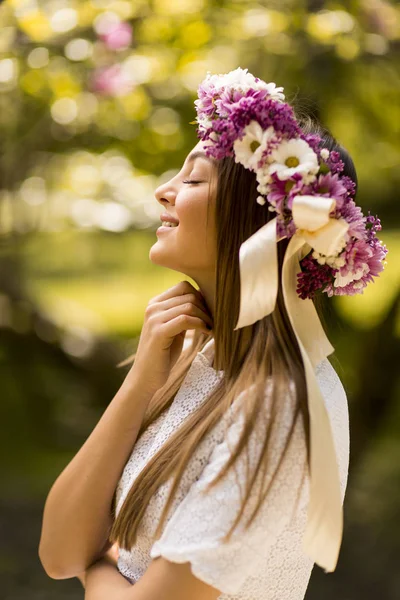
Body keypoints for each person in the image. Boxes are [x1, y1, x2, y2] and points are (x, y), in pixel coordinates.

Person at [38, 68, 387, 600]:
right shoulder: (196, 355)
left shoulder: (282, 408)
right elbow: (59, 552)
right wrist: (141, 384)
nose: (164, 191)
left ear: (252, 218)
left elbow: (89, 564)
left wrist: (102, 563)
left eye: (194, 180)